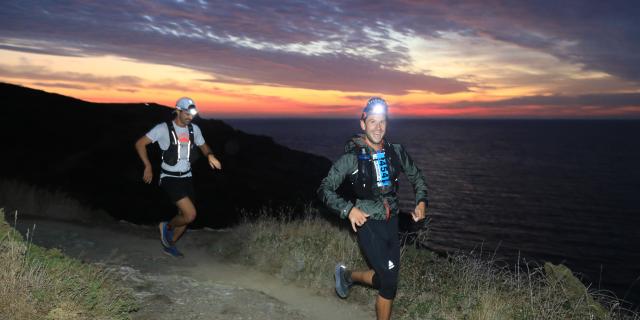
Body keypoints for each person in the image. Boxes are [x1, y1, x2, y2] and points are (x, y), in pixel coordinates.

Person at [318, 97, 428, 320]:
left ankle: (347, 276)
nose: (378, 128)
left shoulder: (396, 151)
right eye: (372, 122)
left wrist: (421, 201)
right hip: (367, 221)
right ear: (363, 124)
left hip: (392, 221)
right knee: (388, 282)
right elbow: (324, 189)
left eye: (382, 122)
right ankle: (347, 277)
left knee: (388, 279)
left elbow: (417, 177)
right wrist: (348, 210)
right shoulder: (351, 159)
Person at [135, 97, 222, 257]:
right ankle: (166, 226)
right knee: (191, 215)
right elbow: (140, 143)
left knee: (184, 217)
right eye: (187, 113)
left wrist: (210, 155)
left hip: (187, 177)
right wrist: (147, 165)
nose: (190, 117)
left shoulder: (194, 129)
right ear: (178, 111)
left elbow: (203, 145)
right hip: (169, 177)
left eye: (192, 114)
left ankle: (170, 245)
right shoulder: (163, 129)